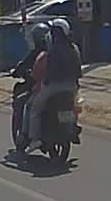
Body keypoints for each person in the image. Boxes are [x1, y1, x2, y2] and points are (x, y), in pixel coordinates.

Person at [22, 18, 82, 149]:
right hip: (72, 86)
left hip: (53, 86)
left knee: (35, 109)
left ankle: (35, 139)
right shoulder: (74, 48)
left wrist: (45, 83)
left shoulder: (52, 49)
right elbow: (79, 70)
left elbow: (49, 70)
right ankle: (73, 126)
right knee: (74, 105)